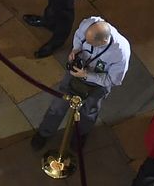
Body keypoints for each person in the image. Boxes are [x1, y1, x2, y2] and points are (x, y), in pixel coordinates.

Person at [30, 16, 131, 152]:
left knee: (88, 112)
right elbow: (78, 36)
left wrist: (87, 75)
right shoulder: (89, 24)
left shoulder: (121, 53)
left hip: (97, 86)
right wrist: (76, 49)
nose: (87, 44)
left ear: (104, 42)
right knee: (58, 105)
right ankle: (44, 132)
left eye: (91, 44)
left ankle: (80, 136)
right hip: (75, 75)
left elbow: (113, 80)